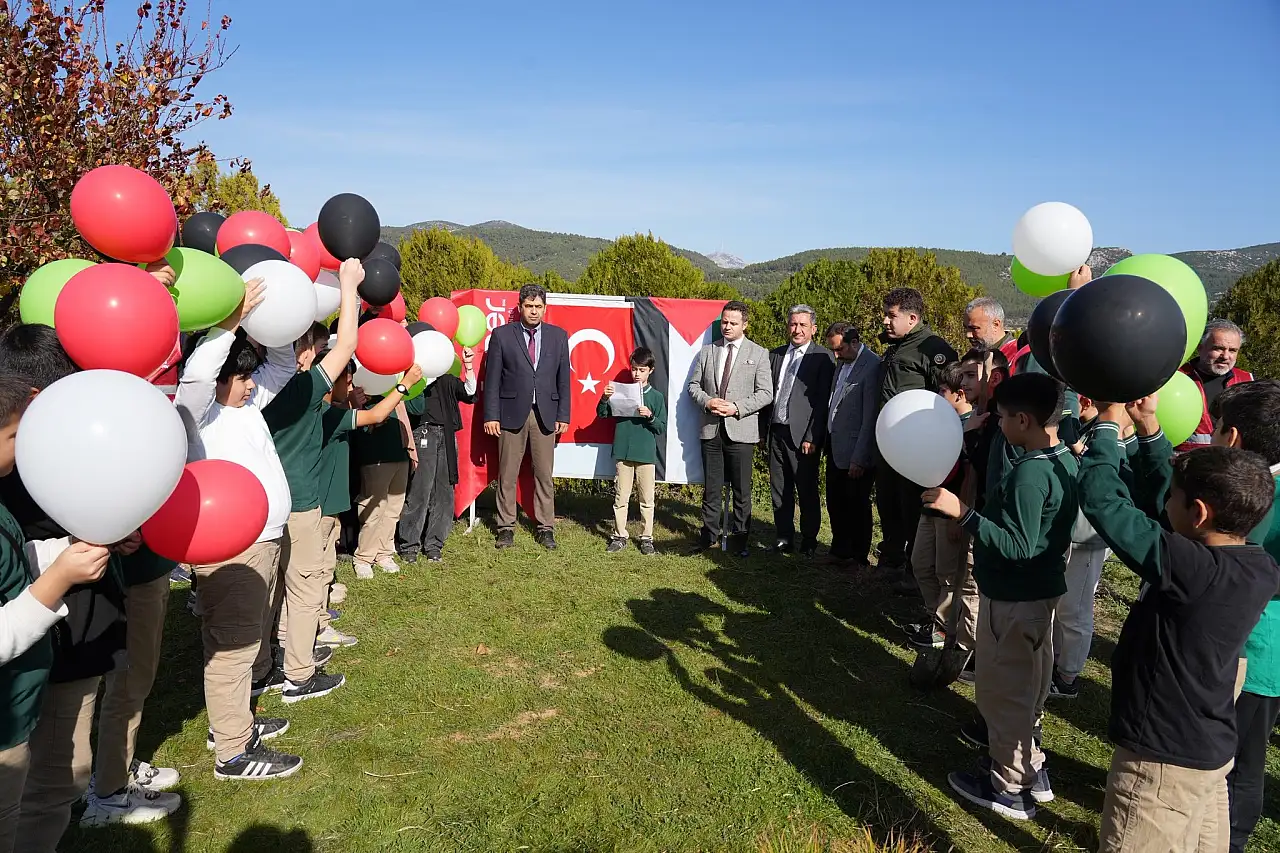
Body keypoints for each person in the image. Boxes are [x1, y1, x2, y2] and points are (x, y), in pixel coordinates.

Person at [0, 326, 176, 849]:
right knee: (45, 782)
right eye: (13, 437)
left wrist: (83, 542)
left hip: (58, 646)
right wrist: (59, 575)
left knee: (49, 779)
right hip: (40, 659)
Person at [1079, 400, 1278, 853]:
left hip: (1159, 762)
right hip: (1208, 752)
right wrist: (1150, 433)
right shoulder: (1258, 566)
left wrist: (1108, 430)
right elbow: (1165, 509)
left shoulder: (1191, 569)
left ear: (1200, 514)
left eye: (1173, 496)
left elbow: (1105, 503)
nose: (1163, 501)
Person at [923, 373, 1077, 820]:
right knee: (1028, 688)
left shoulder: (1030, 474)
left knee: (1002, 693)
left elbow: (1019, 545)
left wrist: (963, 512)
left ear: (1024, 420)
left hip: (1013, 597)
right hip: (1040, 595)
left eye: (1005, 417)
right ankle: (1033, 769)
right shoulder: (1063, 457)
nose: (1000, 424)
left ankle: (1007, 786)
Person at [173, 281, 300, 781]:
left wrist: (278, 321)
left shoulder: (245, 405)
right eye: (242, 377)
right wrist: (229, 323)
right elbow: (201, 373)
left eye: (250, 377)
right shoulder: (197, 414)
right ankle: (232, 752)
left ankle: (234, 724)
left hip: (263, 540)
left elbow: (284, 366)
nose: (251, 384)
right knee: (232, 643)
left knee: (243, 636)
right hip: (232, 546)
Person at [0, 374, 113, 849]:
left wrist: (66, 550)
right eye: (10, 435)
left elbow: (12, 563)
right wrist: (59, 579)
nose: (20, 444)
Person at [260, 261, 362, 705]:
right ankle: (298, 674)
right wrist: (348, 287)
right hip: (301, 502)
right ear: (300, 351)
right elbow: (350, 343)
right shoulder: (301, 390)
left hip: (262, 507)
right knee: (304, 589)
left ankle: (262, 667)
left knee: (267, 589)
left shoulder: (252, 394)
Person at [1205, 380, 1280, 852]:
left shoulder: (1262, 497)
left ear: (1232, 438)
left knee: (1243, 760)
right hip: (1255, 649)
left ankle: (1230, 840)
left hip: (1255, 651)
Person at [876, 288, 957, 586]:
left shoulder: (932, 348)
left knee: (911, 507)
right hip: (889, 443)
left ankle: (915, 572)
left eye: (891, 315)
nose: (885, 321)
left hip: (915, 446)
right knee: (888, 502)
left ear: (912, 318)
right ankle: (892, 558)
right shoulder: (897, 345)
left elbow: (948, 395)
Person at [482, 284, 571, 551]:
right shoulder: (501, 335)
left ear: (545, 308)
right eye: (529, 306)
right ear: (520, 307)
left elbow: (563, 380)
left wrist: (563, 414)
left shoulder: (558, 336)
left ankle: (545, 528)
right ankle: (505, 528)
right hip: (510, 415)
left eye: (538, 306)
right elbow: (493, 379)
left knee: (544, 474)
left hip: (546, 415)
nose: (534, 311)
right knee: (507, 474)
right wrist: (491, 415)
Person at [687, 301, 773, 558]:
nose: (727, 327)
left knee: (741, 490)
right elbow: (693, 386)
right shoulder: (707, 352)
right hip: (711, 429)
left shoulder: (758, 353)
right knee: (711, 488)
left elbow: (766, 393)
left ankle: (740, 540)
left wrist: (736, 407)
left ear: (745, 325)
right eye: (724, 321)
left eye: (733, 323)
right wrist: (707, 401)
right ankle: (708, 536)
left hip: (741, 430)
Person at [905, 363, 978, 653]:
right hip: (929, 505)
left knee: (947, 573)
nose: (937, 395)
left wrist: (957, 517)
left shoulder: (972, 426)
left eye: (943, 391)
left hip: (951, 512)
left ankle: (943, 628)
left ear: (959, 395)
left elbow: (968, 476)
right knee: (921, 564)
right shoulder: (940, 421)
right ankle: (935, 617)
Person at [396, 348, 477, 564]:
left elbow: (469, 393)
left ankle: (434, 544)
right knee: (420, 490)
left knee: (444, 491)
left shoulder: (447, 378)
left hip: (447, 436)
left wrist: (468, 366)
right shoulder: (414, 377)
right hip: (424, 432)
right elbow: (411, 404)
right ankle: (409, 545)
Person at [766, 305, 834, 558]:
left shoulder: (823, 357)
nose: (797, 330)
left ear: (813, 329)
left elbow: (822, 401)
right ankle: (783, 537)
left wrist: (812, 436)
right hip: (777, 431)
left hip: (803, 437)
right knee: (779, 489)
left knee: (805, 489)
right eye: (793, 324)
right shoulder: (776, 355)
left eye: (803, 325)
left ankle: (808, 539)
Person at [598, 347, 667, 554]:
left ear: (650, 371)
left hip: (645, 454)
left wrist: (650, 416)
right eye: (634, 369)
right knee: (621, 497)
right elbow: (603, 414)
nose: (637, 373)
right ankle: (619, 535)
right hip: (623, 451)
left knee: (647, 499)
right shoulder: (621, 391)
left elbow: (661, 427)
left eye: (642, 370)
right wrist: (604, 398)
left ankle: (647, 538)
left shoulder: (656, 396)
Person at [822, 322, 879, 568]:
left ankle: (858, 556)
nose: (836, 354)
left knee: (857, 504)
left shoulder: (872, 366)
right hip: (836, 447)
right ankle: (840, 550)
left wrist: (860, 457)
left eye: (840, 349)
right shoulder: (842, 363)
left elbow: (869, 417)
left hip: (856, 452)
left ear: (854, 342)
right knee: (836, 501)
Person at [1176, 319, 1252, 452]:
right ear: (1200, 348)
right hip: (1186, 462)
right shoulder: (1177, 378)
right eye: (1218, 348)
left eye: (1233, 350)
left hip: (1233, 464)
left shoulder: (1248, 381)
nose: (1225, 356)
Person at [962, 297, 1020, 365]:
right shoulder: (976, 356)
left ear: (995, 325)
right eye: (966, 328)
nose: (968, 335)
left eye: (974, 328)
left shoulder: (1017, 355)